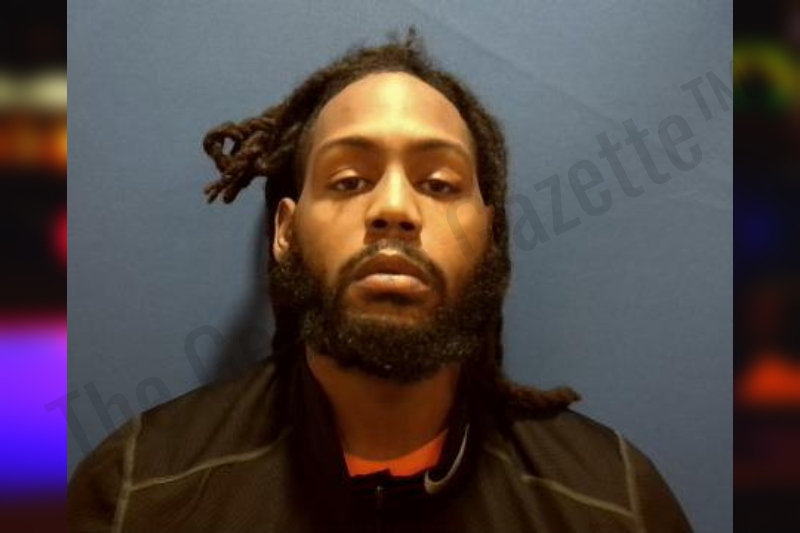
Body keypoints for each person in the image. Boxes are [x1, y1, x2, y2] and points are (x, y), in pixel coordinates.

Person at [68, 29, 693, 532]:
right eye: (349, 181)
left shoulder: (614, 504)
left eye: (439, 184)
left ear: (491, 235)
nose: (394, 208)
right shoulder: (138, 491)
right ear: (285, 232)